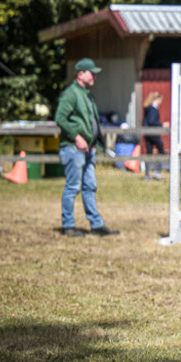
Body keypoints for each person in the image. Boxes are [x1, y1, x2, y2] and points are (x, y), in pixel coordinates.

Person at [55, 58, 119, 237]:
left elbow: (91, 121)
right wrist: (77, 137)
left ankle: (97, 225)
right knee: (73, 187)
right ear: (80, 73)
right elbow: (60, 118)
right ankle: (68, 225)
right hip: (73, 148)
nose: (94, 77)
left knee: (90, 186)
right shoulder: (71, 94)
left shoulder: (87, 95)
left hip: (88, 149)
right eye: (92, 73)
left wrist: (93, 142)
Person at [142, 91, 165, 180]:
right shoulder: (153, 109)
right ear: (157, 99)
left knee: (149, 152)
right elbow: (151, 121)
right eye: (161, 99)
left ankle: (147, 174)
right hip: (153, 132)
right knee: (161, 150)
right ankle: (157, 171)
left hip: (147, 133)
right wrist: (161, 125)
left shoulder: (148, 108)